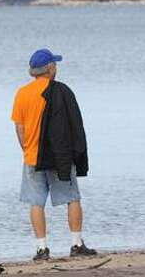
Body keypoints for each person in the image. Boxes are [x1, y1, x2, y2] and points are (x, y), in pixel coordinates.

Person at [11, 48, 97, 261]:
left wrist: (27, 149)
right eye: (55, 65)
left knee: (36, 202)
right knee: (73, 198)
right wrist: (77, 155)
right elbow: (75, 126)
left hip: (32, 157)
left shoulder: (22, 93)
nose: (56, 68)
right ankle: (76, 244)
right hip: (60, 158)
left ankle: (42, 249)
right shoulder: (63, 91)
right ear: (49, 68)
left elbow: (19, 128)